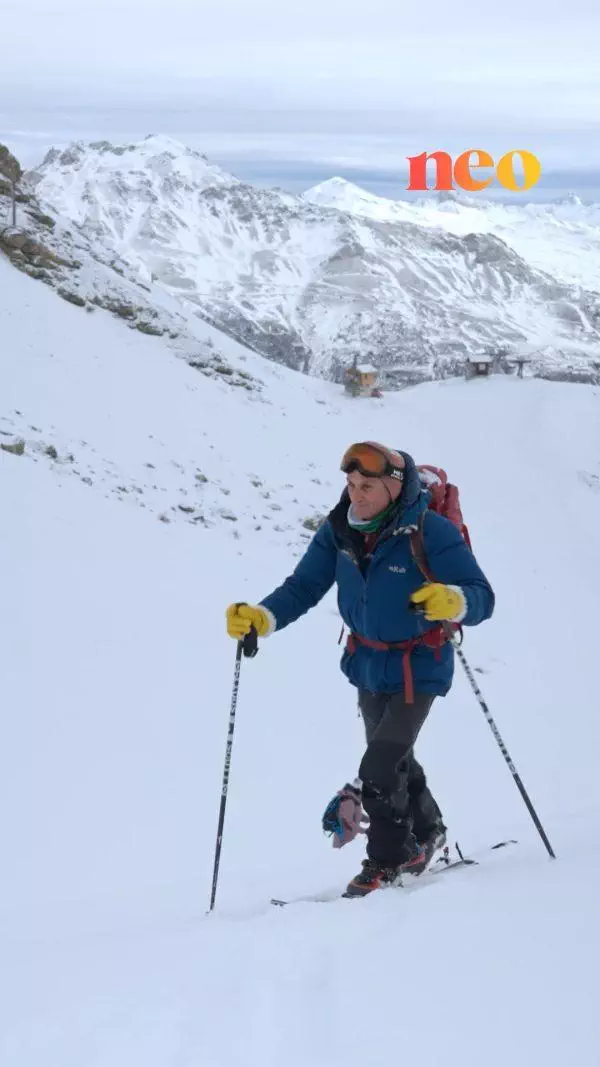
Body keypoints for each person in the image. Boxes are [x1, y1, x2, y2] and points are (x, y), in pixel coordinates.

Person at [226, 442, 495, 897]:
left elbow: (482, 596)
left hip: (419, 664)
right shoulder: (340, 529)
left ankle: (386, 862)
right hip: (366, 663)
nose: (357, 495)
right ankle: (428, 833)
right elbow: (304, 585)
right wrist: (262, 616)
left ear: (394, 486)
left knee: (379, 766)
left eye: (367, 486)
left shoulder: (429, 531)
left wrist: (454, 600)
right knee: (394, 760)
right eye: (351, 485)